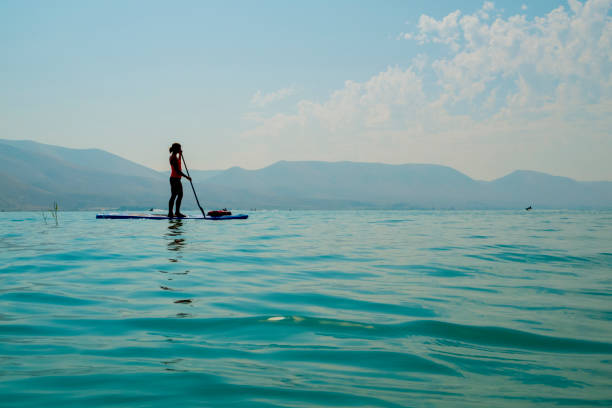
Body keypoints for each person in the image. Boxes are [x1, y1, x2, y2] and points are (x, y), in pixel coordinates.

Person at [168, 143, 191, 218]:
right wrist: (186, 177)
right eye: (179, 148)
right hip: (174, 179)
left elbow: (179, 164)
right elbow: (177, 170)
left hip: (177, 179)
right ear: (176, 149)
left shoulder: (176, 157)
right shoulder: (173, 158)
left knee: (180, 195)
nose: (180, 149)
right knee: (174, 195)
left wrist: (180, 155)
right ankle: (171, 213)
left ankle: (177, 212)